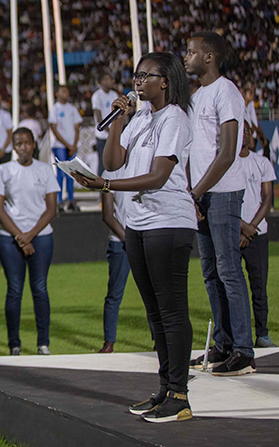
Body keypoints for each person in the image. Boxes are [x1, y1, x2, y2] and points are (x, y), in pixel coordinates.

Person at [74, 52, 197, 423]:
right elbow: (113, 161)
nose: (138, 81)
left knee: (172, 311)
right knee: (155, 312)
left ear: (167, 81)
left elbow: (158, 176)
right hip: (140, 223)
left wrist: (106, 185)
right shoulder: (139, 116)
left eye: (147, 75)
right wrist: (118, 122)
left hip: (169, 221)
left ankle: (180, 394)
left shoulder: (174, 118)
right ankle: (164, 388)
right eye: (136, 74)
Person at [185, 31, 256, 376]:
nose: (186, 57)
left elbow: (228, 153)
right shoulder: (196, 96)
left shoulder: (226, 92)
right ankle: (224, 344)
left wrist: (196, 192)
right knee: (211, 273)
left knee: (229, 270)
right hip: (201, 194)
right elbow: (192, 152)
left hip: (223, 193)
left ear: (209, 57)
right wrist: (191, 191)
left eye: (191, 52)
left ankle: (244, 350)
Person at [0, 127, 59, 356]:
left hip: (40, 236)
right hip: (10, 238)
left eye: (27, 143)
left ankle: (43, 343)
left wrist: (29, 236)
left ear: (33, 144)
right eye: (18, 144)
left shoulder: (45, 170)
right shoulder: (3, 170)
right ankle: (14, 345)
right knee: (15, 290)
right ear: (13, 146)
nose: (23, 148)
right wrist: (21, 237)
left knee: (40, 288)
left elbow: (51, 208)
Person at [238, 122, 277, 348]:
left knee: (259, 288)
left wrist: (251, 227)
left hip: (257, 234)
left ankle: (262, 334)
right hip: (234, 233)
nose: (244, 135)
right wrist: (242, 227)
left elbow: (267, 199)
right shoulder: (225, 163)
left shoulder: (262, 162)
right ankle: (236, 337)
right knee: (233, 289)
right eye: (240, 130)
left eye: (248, 131)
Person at [98, 168, 130, 354]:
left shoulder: (147, 163)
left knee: (151, 294)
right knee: (114, 295)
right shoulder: (110, 173)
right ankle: (109, 342)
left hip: (146, 238)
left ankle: (158, 340)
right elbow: (107, 215)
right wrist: (127, 238)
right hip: (120, 242)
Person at [49, 85, 83, 211]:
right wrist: (68, 144)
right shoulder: (55, 109)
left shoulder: (72, 109)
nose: (65, 94)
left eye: (67, 91)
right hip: (59, 146)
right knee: (60, 174)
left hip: (71, 146)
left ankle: (70, 199)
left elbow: (77, 127)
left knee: (72, 174)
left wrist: (73, 144)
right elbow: (54, 128)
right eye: (63, 91)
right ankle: (59, 200)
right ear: (57, 93)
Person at [91, 73, 119, 175]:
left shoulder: (114, 95)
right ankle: (101, 188)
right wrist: (109, 130)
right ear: (102, 82)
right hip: (102, 135)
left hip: (112, 133)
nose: (112, 81)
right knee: (103, 162)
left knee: (114, 161)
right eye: (108, 79)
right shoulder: (97, 96)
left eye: (112, 79)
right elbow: (98, 117)